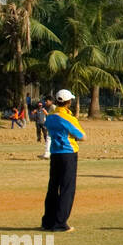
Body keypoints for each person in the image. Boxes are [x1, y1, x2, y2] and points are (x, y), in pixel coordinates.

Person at [41, 89, 85, 232]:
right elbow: (82, 136)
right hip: (68, 153)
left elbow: (49, 128)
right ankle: (60, 223)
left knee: (53, 187)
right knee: (67, 188)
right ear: (68, 102)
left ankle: (48, 221)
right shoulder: (68, 118)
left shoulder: (51, 116)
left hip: (55, 152)